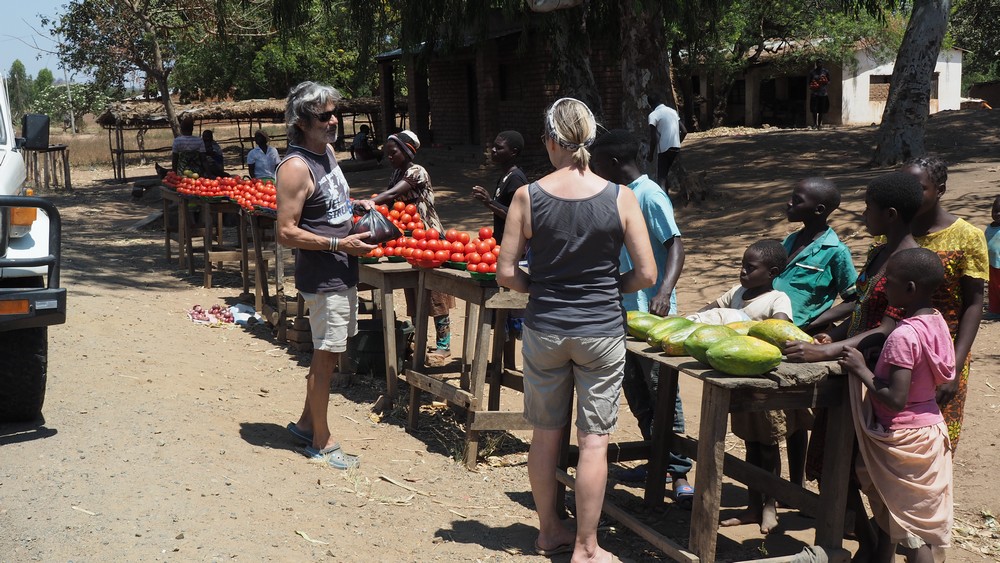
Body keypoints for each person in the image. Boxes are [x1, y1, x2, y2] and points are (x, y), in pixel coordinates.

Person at [497, 97, 656, 562]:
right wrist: (609, 287)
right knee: (594, 441)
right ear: (588, 137)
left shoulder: (527, 196)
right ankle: (587, 546)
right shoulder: (621, 196)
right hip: (601, 331)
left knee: (546, 435)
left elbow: (506, 273)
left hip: (545, 328)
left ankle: (549, 531)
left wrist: (538, 286)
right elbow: (646, 273)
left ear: (551, 140)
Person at [784, 171, 924, 553]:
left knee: (871, 473)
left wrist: (827, 351)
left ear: (890, 214)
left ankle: (882, 549)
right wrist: (831, 332)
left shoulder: (907, 262)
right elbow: (859, 305)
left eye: (868, 208)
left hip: (876, 378)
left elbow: (887, 326)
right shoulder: (879, 252)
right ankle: (868, 542)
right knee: (833, 464)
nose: (863, 214)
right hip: (850, 368)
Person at [589, 128, 694, 507]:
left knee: (663, 393)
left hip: (653, 314)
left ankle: (679, 472)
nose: (594, 169)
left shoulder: (649, 194)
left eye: (597, 163)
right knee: (636, 392)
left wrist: (663, 292)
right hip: (624, 313)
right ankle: (656, 459)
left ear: (614, 162)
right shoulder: (619, 195)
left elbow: (675, 244)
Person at [276, 81, 376, 470]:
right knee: (325, 358)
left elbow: (329, 204)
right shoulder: (294, 168)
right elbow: (286, 232)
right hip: (323, 277)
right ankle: (322, 441)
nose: (333, 121)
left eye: (336, 113)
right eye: (324, 116)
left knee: (330, 355)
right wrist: (338, 244)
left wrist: (354, 205)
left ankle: (305, 425)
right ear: (301, 122)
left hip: (342, 270)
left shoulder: (328, 153)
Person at [839, 247, 955, 563]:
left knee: (911, 533)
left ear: (910, 288)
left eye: (889, 282)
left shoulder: (904, 336)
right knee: (903, 520)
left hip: (902, 438)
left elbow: (895, 397)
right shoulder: (937, 323)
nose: (885, 287)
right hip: (929, 432)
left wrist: (861, 368)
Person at [696, 239, 794, 534]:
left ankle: (770, 505)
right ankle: (753, 506)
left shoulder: (777, 300)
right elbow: (710, 311)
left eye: (750, 268)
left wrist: (743, 328)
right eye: (742, 265)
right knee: (750, 444)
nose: (742, 272)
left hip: (766, 388)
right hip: (740, 385)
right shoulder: (736, 292)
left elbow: (779, 332)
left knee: (768, 446)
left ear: (771, 272)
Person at [901, 156, 988, 452]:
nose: (909, 195)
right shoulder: (895, 228)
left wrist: (954, 367)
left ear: (940, 190)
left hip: (943, 353)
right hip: (896, 348)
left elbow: (974, 303)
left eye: (918, 188)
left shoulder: (967, 236)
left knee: (935, 437)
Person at [370, 130, 454, 364]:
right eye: (387, 154)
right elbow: (389, 202)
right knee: (414, 291)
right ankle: (420, 340)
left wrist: (368, 202)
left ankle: (444, 345)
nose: (389, 157)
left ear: (407, 151)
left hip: (429, 237)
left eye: (393, 153)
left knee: (435, 293)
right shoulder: (396, 173)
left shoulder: (417, 172)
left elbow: (392, 194)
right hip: (409, 238)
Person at [471, 130, 529, 369]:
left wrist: (489, 203)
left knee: (510, 308)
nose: (493, 151)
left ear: (513, 152)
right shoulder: (505, 177)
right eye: (493, 146)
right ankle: (503, 364)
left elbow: (519, 217)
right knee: (502, 309)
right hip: (501, 247)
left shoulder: (516, 180)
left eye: (499, 148)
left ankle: (510, 365)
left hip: (515, 251)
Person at [646, 94, 686, 193]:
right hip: (676, 148)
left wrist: (650, 155)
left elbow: (653, 138)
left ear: (650, 105)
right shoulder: (672, 111)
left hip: (664, 150)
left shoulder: (653, 115)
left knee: (661, 179)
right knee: (668, 175)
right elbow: (684, 131)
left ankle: (663, 200)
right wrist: (677, 142)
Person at [985, 195, 1000, 320]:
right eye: (995, 211)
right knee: (993, 288)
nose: (998, 214)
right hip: (992, 265)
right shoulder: (989, 228)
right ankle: (994, 310)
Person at [808, 61, 832, 129]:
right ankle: (814, 124)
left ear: (822, 63)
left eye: (820, 63)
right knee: (814, 109)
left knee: (821, 109)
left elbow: (829, 81)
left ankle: (819, 125)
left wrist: (825, 81)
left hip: (823, 93)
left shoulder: (825, 71)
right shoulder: (812, 72)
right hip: (814, 93)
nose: (819, 64)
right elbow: (809, 82)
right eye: (818, 63)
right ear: (816, 64)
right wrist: (813, 84)